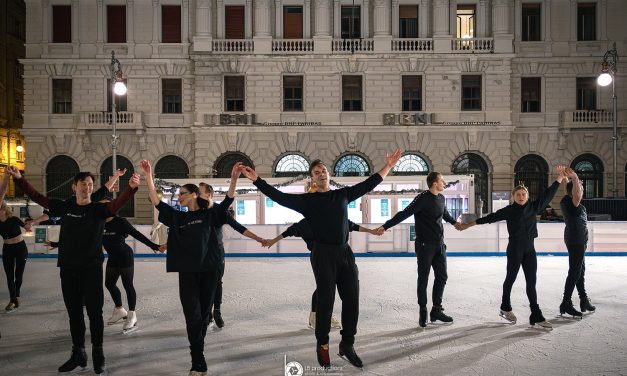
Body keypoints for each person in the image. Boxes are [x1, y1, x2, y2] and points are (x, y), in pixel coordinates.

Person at [241, 148, 401, 369]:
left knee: (352, 299)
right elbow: (279, 197)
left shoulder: (342, 195)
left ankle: (347, 344)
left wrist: (389, 166)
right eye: (317, 172)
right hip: (322, 255)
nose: (322, 174)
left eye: (324, 170)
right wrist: (257, 180)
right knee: (326, 302)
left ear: (328, 175)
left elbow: (369, 184)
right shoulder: (307, 201)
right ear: (312, 178)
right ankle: (323, 346)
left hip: (345, 253)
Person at [8, 166, 139, 374]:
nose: (87, 188)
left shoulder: (98, 209)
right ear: (74, 187)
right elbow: (37, 197)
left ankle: (98, 353)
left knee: (95, 314)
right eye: (83, 184)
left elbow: (115, 205)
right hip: (68, 269)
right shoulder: (65, 206)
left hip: (92, 269)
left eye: (90, 185)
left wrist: (130, 189)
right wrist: (19, 179)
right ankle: (79, 353)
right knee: (74, 313)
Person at [141, 159, 241, 376]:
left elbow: (228, 200)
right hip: (187, 273)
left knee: (203, 316)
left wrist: (233, 178)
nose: (179, 197)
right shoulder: (179, 218)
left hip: (209, 272)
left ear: (194, 194)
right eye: (179, 195)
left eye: (183, 194)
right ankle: (198, 359)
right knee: (192, 315)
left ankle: (198, 347)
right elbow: (156, 202)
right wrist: (148, 176)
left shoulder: (211, 214)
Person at [459, 165, 568, 329]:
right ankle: (505, 307)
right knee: (510, 278)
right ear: (513, 197)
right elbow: (490, 218)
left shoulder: (534, 207)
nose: (521, 196)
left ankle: (535, 314)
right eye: (518, 195)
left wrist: (559, 178)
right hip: (515, 250)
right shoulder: (509, 210)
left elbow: (548, 194)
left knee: (531, 282)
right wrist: (469, 224)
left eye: (524, 194)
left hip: (530, 250)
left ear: (527, 195)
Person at [375, 172, 462, 328]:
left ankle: (436, 309)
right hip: (424, 246)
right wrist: (385, 226)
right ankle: (423, 310)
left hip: (439, 246)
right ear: (434, 183)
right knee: (423, 278)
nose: (444, 183)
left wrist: (456, 223)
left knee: (442, 277)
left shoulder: (441, 198)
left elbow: (445, 215)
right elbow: (404, 213)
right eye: (442, 181)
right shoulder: (422, 198)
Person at [263, 217, 379, 330]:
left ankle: (322, 316)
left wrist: (370, 231)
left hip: (342, 255)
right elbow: (290, 231)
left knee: (339, 287)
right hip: (320, 257)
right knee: (325, 287)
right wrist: (273, 241)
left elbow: (352, 226)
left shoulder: (335, 217)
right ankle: (315, 316)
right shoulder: (307, 222)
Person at [198, 182, 265, 329]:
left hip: (216, 255)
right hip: (200, 255)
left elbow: (238, 227)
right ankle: (207, 312)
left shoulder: (219, 210)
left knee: (216, 283)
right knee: (203, 285)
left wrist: (258, 238)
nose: (196, 195)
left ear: (208, 194)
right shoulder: (196, 211)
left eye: (199, 192)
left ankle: (216, 311)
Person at [101, 207, 166, 333]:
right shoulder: (98, 222)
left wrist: (155, 246)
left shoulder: (121, 222)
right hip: (112, 257)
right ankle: (119, 310)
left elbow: (138, 235)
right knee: (109, 284)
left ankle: (132, 315)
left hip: (125, 256)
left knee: (127, 285)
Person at [559, 167, 596, 317]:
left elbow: (569, 190)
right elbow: (575, 193)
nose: (581, 189)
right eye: (580, 187)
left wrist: (565, 178)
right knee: (575, 271)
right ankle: (566, 302)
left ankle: (583, 299)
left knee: (580, 270)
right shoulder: (572, 202)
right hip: (576, 239)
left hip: (577, 239)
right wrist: (574, 177)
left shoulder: (568, 200)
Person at [0, 171, 29, 312]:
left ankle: (16, 295)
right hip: (7, 249)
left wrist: (30, 224)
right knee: (9, 276)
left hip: (20, 248)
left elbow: (27, 226)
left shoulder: (14, 219)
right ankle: (13, 300)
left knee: (19, 275)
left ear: (4, 209)